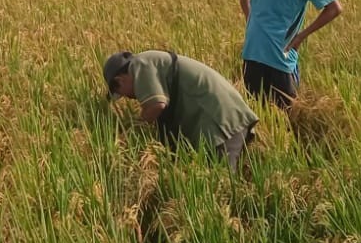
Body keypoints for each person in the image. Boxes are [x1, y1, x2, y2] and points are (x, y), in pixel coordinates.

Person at [103, 49, 258, 171]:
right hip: (224, 118)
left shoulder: (140, 65)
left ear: (119, 81)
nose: (130, 97)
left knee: (221, 182)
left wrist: (131, 133)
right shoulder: (151, 63)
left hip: (221, 121)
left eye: (122, 93)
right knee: (219, 180)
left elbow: (156, 105)